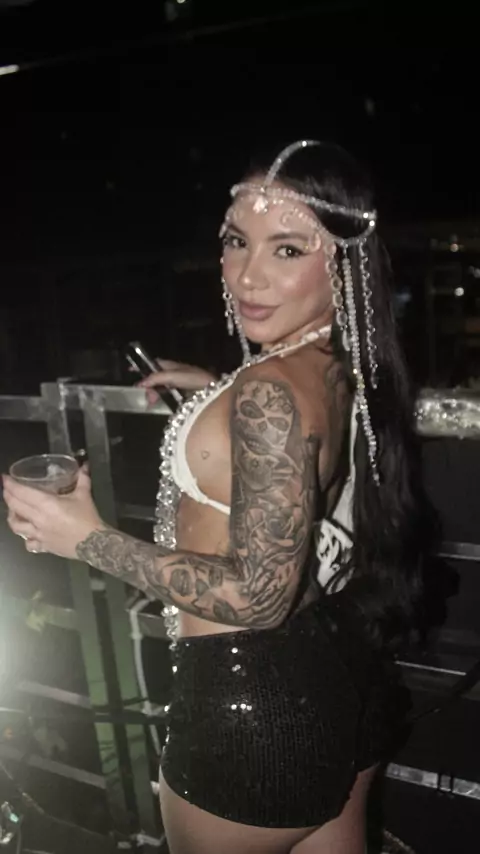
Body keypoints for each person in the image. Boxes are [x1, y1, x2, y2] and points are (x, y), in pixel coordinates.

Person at [4, 140, 423, 854]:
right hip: (344, 684)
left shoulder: (267, 394)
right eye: (235, 241)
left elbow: (258, 597)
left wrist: (85, 538)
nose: (248, 275)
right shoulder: (340, 359)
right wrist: (214, 394)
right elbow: (296, 441)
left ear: (344, 263)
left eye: (287, 250)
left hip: (251, 719)